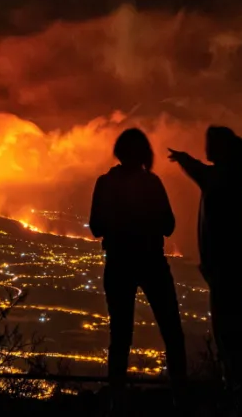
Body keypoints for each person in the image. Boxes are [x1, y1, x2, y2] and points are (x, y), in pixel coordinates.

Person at [89, 127, 188, 399]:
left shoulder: (105, 183)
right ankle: (180, 394)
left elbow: (96, 227)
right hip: (152, 262)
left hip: (119, 264)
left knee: (120, 334)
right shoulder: (152, 183)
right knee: (171, 330)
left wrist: (119, 226)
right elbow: (169, 225)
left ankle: (116, 397)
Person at [169, 126, 242, 390]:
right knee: (235, 327)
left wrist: (184, 159)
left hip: (224, 267)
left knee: (228, 331)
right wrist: (185, 159)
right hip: (231, 265)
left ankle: (240, 388)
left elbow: (201, 174)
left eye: (209, 142)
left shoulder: (220, 179)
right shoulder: (228, 178)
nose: (205, 147)